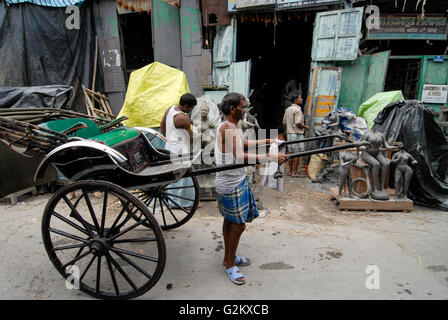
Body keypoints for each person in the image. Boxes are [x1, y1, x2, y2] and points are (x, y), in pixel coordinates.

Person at [215, 92, 287, 285]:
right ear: (232, 109)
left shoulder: (230, 126)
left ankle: (230, 256)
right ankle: (229, 263)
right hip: (231, 183)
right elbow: (239, 156)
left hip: (234, 180)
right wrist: (271, 158)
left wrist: (268, 141)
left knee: (230, 221)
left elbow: (244, 144)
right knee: (238, 225)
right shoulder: (229, 127)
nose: (245, 110)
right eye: (243, 107)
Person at [160, 93, 197, 208]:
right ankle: (185, 203)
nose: (191, 110)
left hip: (169, 146)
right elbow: (190, 137)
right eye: (191, 108)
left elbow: (162, 125)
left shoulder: (170, 109)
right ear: (186, 106)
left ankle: (172, 202)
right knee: (184, 177)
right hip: (180, 149)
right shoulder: (183, 118)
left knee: (172, 174)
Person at [282, 90, 309, 177]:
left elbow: (284, 122)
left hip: (290, 134)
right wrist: (305, 127)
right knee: (297, 154)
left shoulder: (288, 109)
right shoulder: (297, 110)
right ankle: (294, 172)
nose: (302, 99)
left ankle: (290, 171)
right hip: (297, 134)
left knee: (290, 153)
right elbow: (298, 123)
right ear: (296, 100)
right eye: (300, 98)